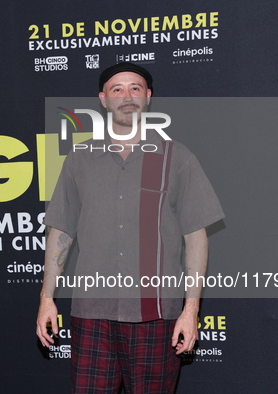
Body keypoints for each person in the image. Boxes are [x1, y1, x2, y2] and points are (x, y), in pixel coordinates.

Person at [36, 62, 225, 393]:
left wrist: (190, 309)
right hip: (92, 312)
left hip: (156, 314)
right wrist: (46, 298)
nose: (127, 96)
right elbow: (61, 231)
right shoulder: (79, 159)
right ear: (103, 99)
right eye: (117, 89)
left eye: (135, 88)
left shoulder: (176, 158)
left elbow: (196, 237)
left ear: (148, 97)